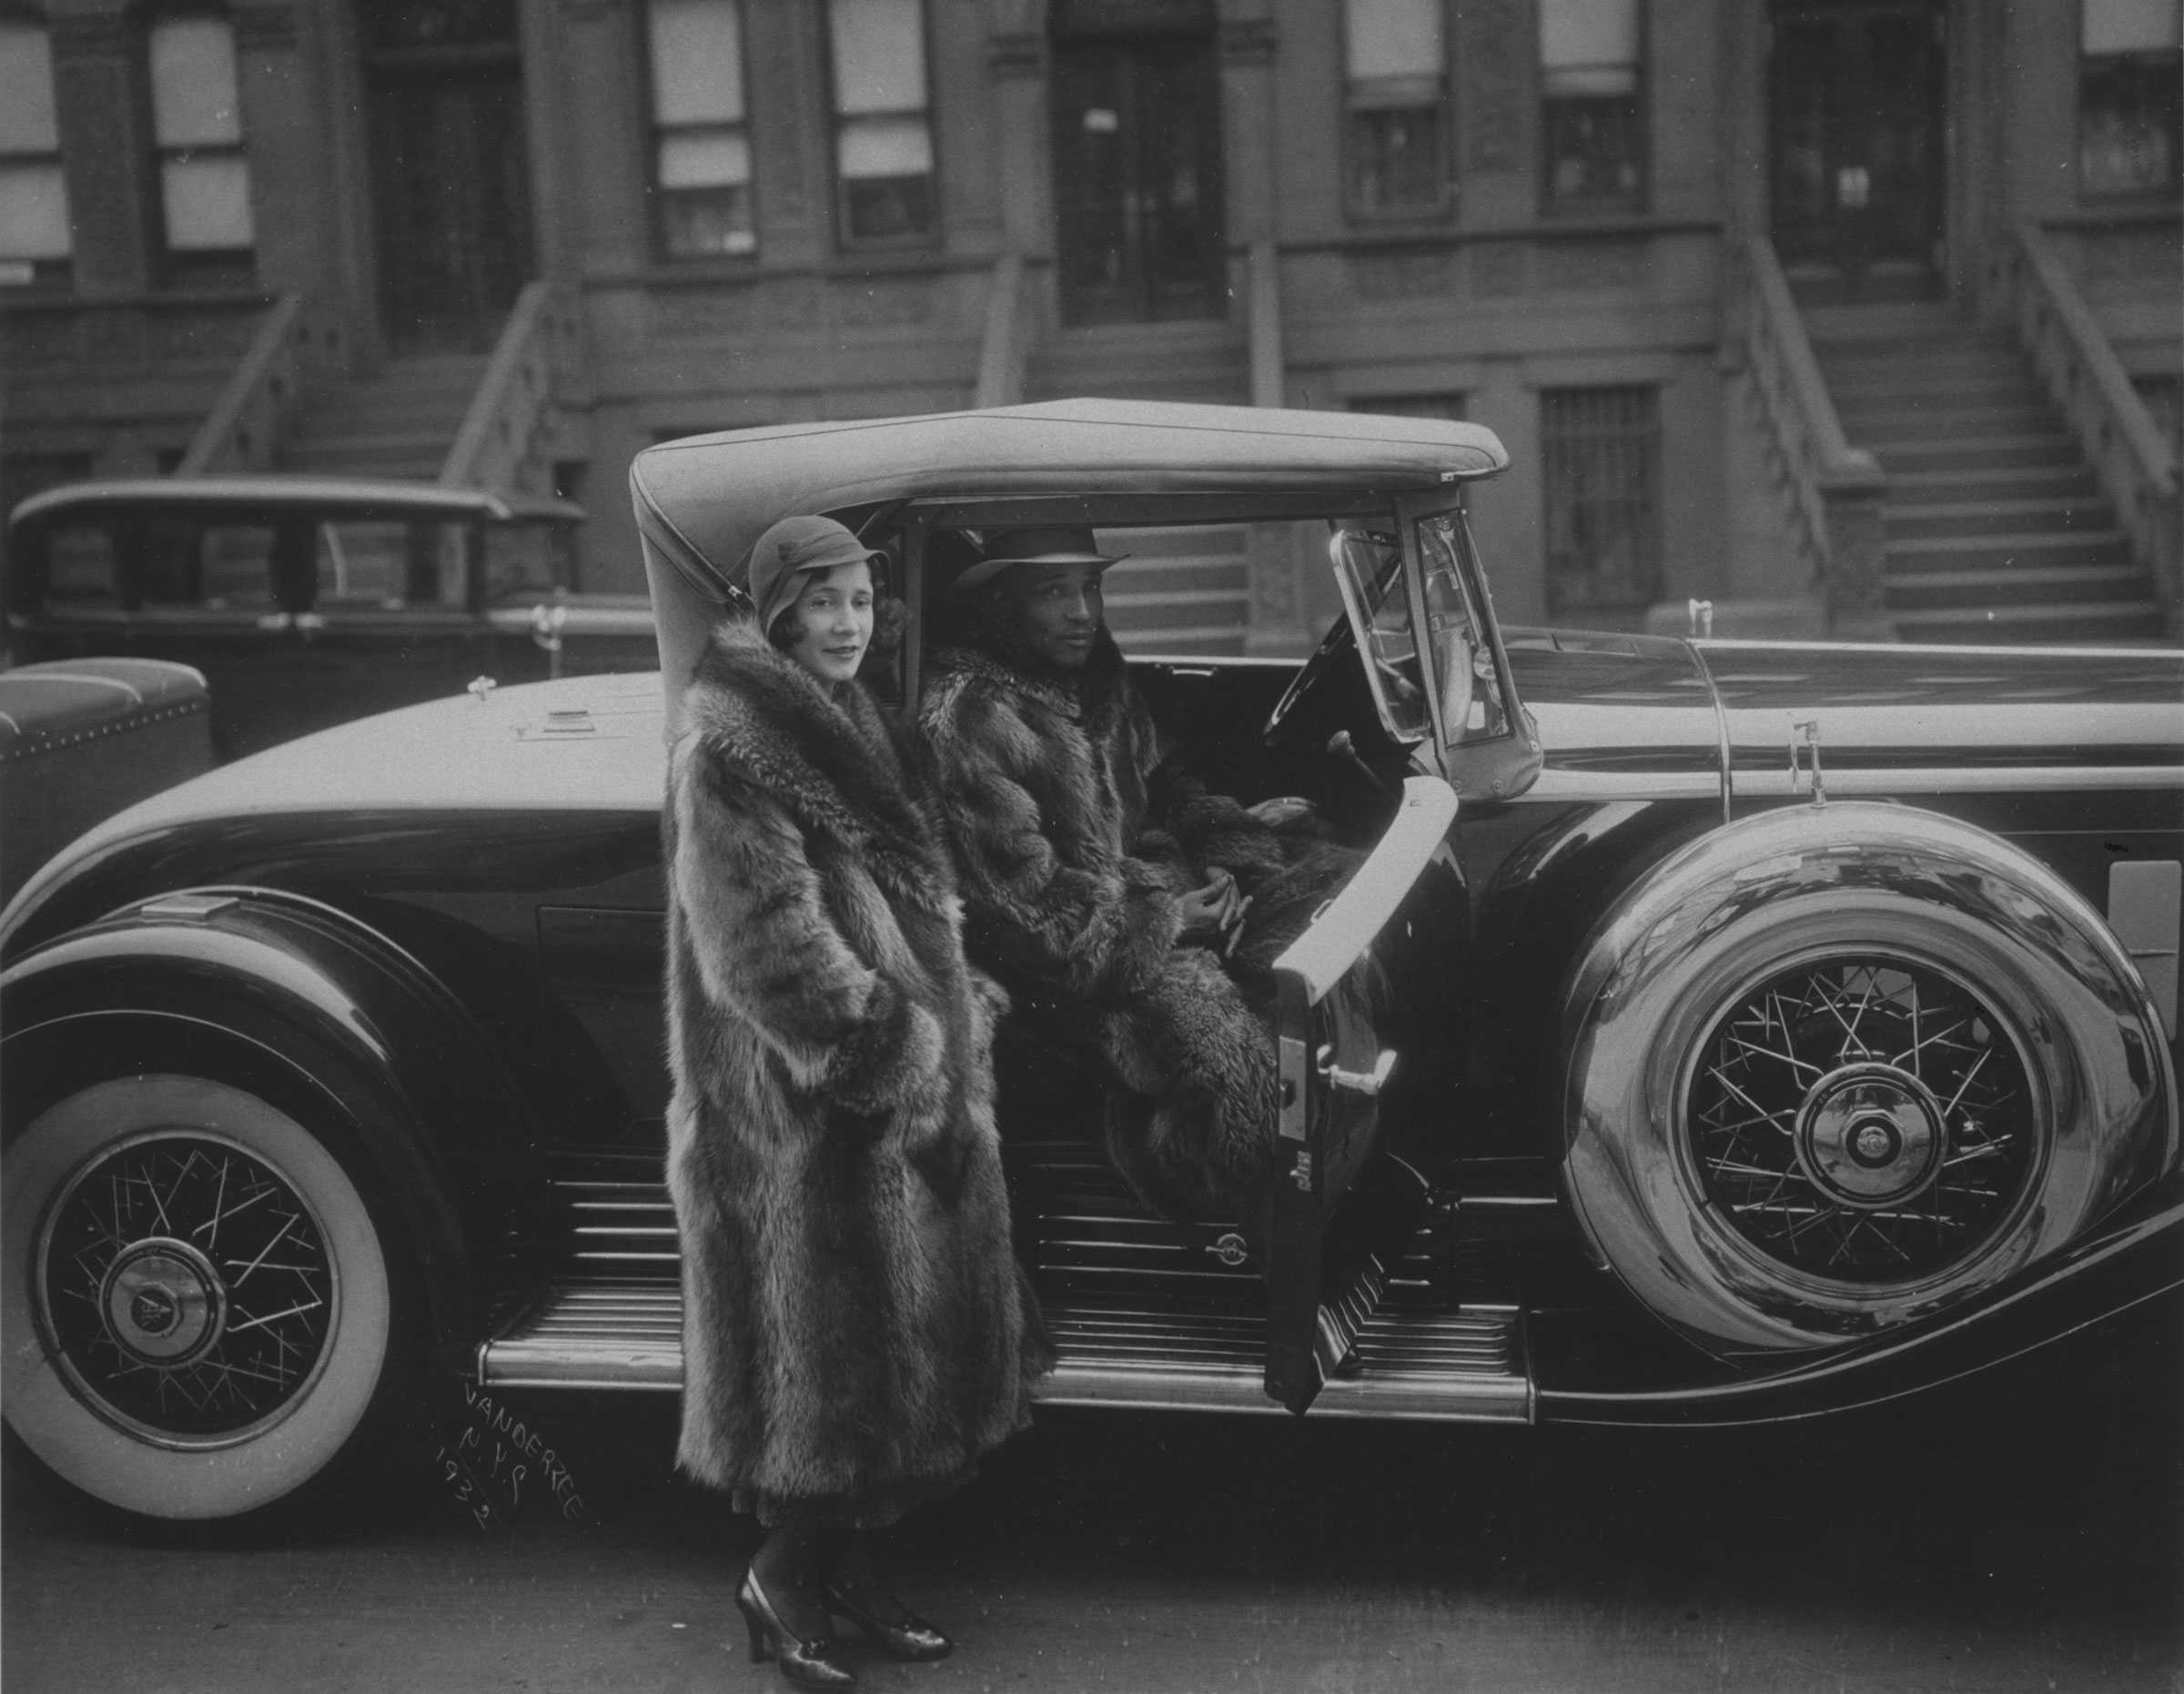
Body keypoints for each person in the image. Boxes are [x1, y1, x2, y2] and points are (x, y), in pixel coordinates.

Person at [662, 514, 1050, 1689]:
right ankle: (781, 1583)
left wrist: (953, 997)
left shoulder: (855, 718)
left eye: (862, 604)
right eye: (823, 603)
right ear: (778, 611)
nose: (847, 624)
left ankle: (851, 1578)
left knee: (889, 1368)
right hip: (799, 1112)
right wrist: (905, 1060)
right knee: (820, 1377)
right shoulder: (734, 744)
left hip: (878, 1092)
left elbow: (899, 901)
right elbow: (767, 951)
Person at [918, 526, 1354, 1225]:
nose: (1082, 612)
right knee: (1242, 1068)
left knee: (1336, 885)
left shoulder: (1096, 677)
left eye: (1089, 587)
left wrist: (1227, 855)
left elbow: (1168, 783)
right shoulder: (971, 714)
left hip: (1152, 903)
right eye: (1053, 591)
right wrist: (1174, 921)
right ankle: (1206, 1207)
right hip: (1064, 975)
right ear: (1004, 603)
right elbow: (1025, 909)